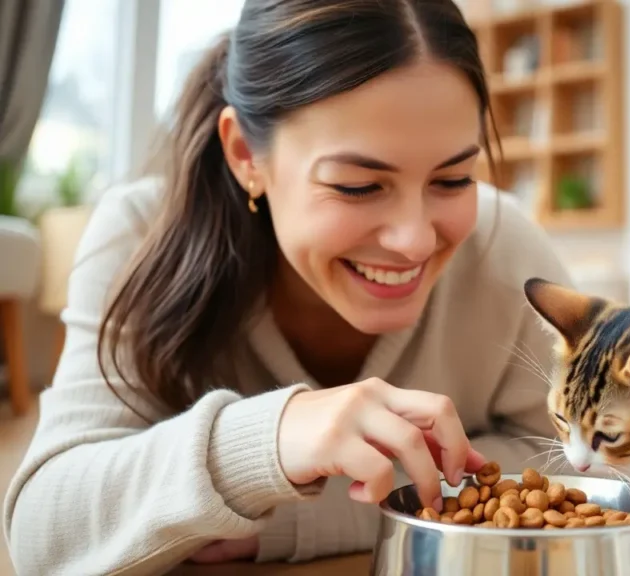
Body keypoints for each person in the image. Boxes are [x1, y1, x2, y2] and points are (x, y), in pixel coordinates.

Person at [2, 1, 576, 573]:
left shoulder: (504, 249)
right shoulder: (138, 235)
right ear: (246, 155)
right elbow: (43, 536)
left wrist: (303, 519)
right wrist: (264, 443)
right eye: (358, 186)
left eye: (453, 179)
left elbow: (615, 472)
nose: (415, 241)